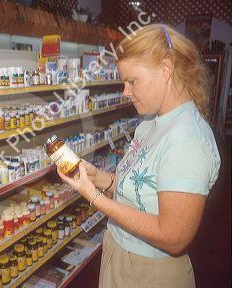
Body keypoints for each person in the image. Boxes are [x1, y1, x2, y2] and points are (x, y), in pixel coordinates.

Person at [58, 24, 221, 288]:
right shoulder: (150, 124)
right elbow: (136, 193)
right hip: (121, 255)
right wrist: (100, 178)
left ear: (166, 70)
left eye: (132, 81)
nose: (125, 92)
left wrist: (94, 198)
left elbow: (173, 236)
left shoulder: (187, 139)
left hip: (149, 274)